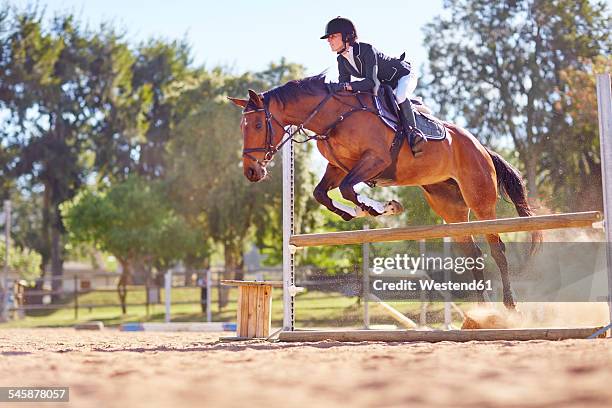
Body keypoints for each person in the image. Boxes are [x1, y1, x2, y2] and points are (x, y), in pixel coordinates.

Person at [321, 17, 426, 157]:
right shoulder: (341, 59)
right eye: (328, 37)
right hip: (385, 84)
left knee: (399, 96)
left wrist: (346, 86)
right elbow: (344, 87)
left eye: (333, 36)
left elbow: (371, 83)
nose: (329, 40)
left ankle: (414, 135)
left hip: (403, 75)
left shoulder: (366, 50)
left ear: (347, 36)